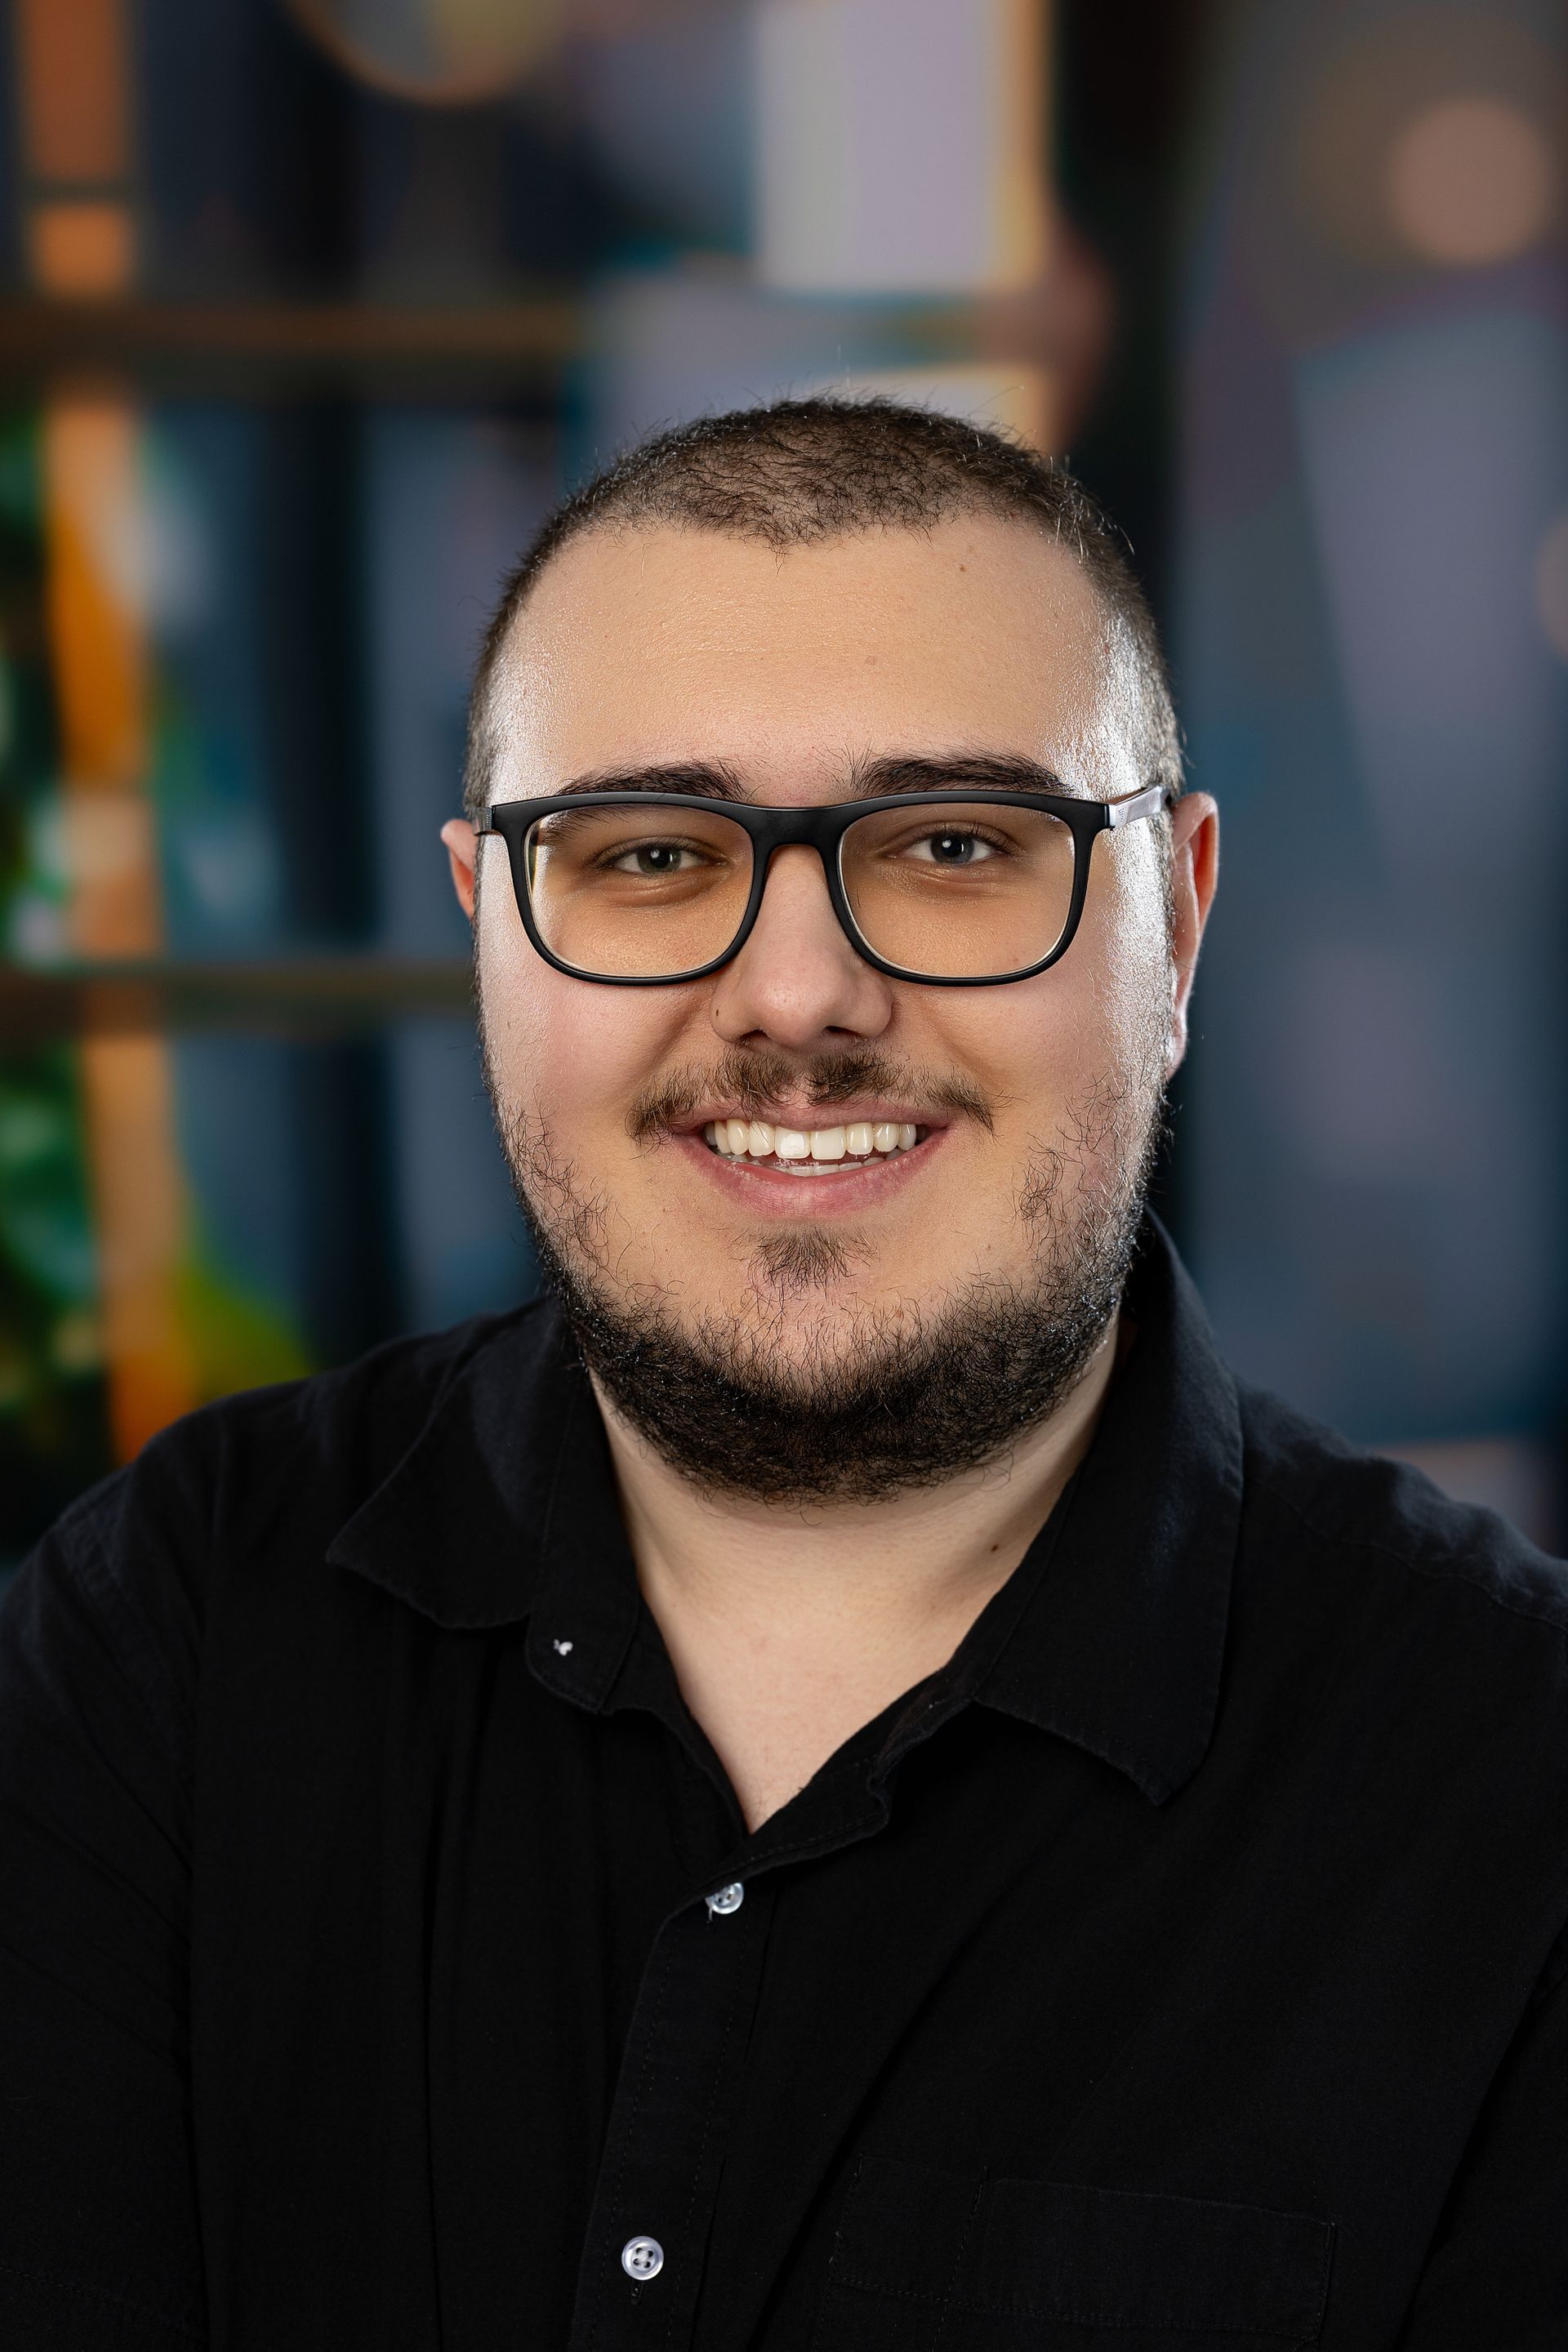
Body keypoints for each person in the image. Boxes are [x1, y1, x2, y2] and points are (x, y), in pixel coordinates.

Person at [0, 399, 1563, 2352]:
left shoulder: (1518, 1791)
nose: (801, 994)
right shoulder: (166, 1638)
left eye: (957, 844)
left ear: (1176, 913)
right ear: (490, 917)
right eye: (651, 853)